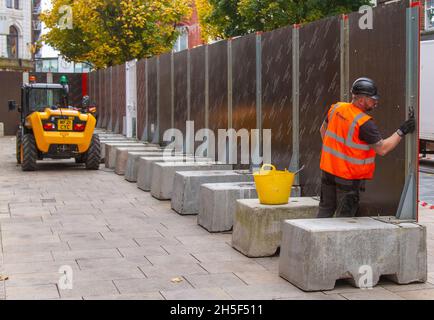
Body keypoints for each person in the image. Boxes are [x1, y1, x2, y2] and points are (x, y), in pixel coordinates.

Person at [317, 77, 416, 218]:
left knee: (325, 210)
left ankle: (317, 240)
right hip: (348, 179)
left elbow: (322, 130)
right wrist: (402, 131)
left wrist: (335, 156)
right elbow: (382, 149)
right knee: (344, 220)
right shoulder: (364, 123)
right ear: (361, 100)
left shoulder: (336, 108)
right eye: (372, 99)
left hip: (327, 172)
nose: (376, 102)